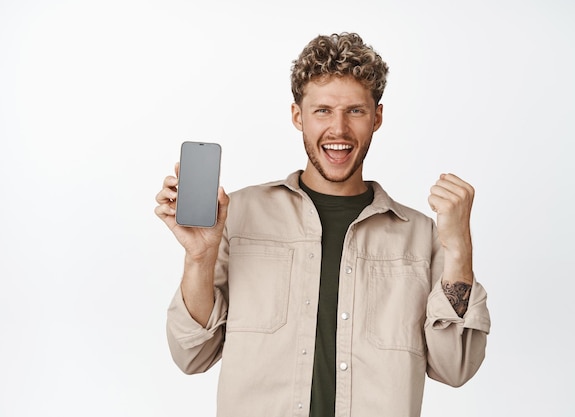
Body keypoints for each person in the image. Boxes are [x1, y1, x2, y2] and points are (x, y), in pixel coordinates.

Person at [155, 32, 490, 417]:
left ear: (377, 117)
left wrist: (459, 248)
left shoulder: (419, 235)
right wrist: (200, 256)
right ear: (298, 116)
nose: (339, 130)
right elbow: (191, 354)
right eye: (323, 111)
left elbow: (456, 367)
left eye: (355, 111)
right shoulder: (238, 215)